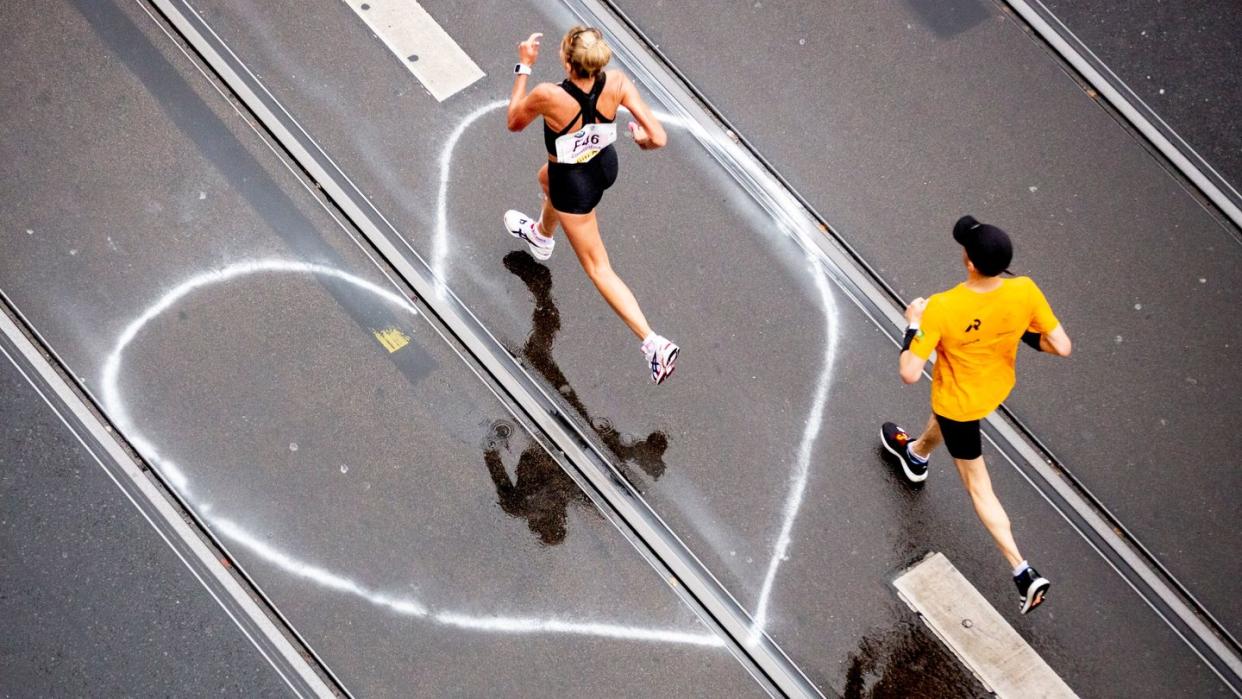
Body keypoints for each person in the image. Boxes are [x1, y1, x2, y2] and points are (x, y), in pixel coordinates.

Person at [880, 215, 1072, 614]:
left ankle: (1022, 570)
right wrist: (1012, 330)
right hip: (994, 388)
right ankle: (916, 455)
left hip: (960, 402)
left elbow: (909, 372)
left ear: (969, 262)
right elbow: (1060, 346)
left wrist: (912, 325)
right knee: (945, 424)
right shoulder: (1024, 290)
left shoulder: (944, 307)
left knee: (978, 486)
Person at [503, 27, 679, 384]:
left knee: (599, 268)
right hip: (602, 166)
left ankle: (653, 344)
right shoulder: (616, 82)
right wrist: (642, 142)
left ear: (568, 63)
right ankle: (540, 235)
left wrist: (523, 66)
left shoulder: (548, 96)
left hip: (575, 187)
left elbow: (513, 122)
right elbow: (657, 137)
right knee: (544, 178)